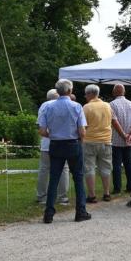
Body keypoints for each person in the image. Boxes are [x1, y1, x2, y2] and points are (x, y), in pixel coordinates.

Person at [38, 79, 90, 223]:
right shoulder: (77, 106)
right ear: (69, 91)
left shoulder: (48, 107)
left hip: (55, 144)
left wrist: (53, 134)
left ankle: (48, 213)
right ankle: (81, 211)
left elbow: (42, 131)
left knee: (54, 178)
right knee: (78, 178)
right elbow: (82, 131)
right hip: (73, 144)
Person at [36, 89, 69, 205]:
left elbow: (40, 126)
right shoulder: (66, 104)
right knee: (64, 169)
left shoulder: (44, 106)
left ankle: (42, 196)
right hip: (63, 141)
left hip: (47, 142)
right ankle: (63, 197)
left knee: (44, 170)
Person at [82, 84, 113, 203]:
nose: (85, 97)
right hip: (106, 141)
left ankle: (92, 195)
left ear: (90, 94)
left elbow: (83, 125)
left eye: (86, 94)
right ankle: (106, 193)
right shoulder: (107, 106)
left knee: (89, 168)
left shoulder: (86, 107)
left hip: (90, 140)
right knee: (105, 168)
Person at [110, 84, 131, 194]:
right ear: (124, 92)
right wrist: (130, 135)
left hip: (116, 140)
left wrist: (123, 135)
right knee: (129, 164)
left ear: (114, 92)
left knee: (116, 165)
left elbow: (114, 122)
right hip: (130, 140)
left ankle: (117, 188)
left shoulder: (111, 104)